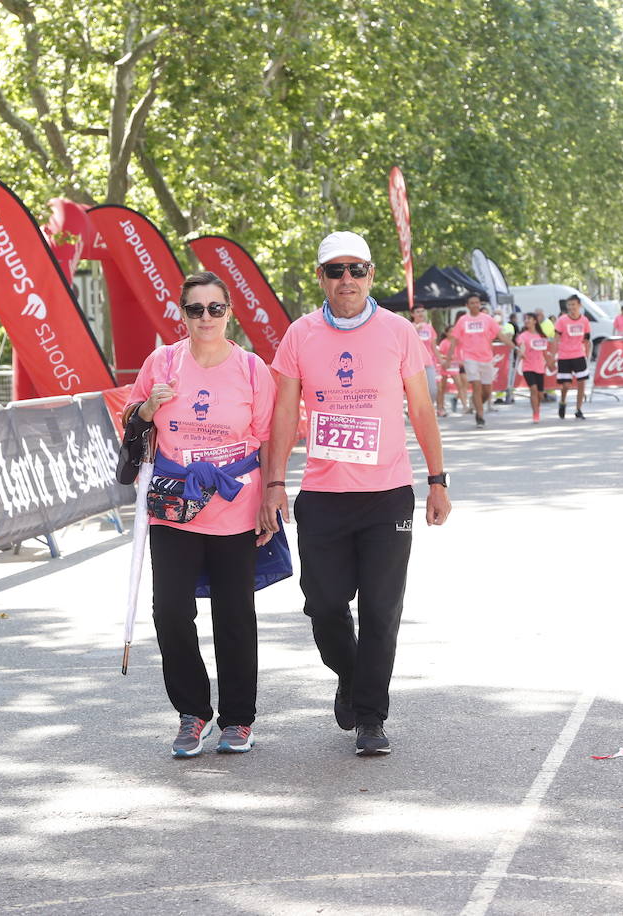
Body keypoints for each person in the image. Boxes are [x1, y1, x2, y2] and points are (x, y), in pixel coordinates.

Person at [261, 231, 450, 757]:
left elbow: (422, 409)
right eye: (336, 271)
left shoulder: (398, 331)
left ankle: (371, 717)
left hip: (388, 493)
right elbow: (283, 414)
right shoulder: (300, 334)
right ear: (320, 277)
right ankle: (351, 675)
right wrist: (274, 483)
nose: (347, 280)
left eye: (357, 270)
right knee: (322, 604)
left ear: (371, 275)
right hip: (322, 494)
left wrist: (437, 480)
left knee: (382, 610)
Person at [126, 270, 275, 757]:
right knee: (170, 611)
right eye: (195, 309)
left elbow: (269, 438)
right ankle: (193, 713)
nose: (205, 317)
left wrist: (274, 494)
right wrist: (148, 407)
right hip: (174, 502)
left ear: (228, 312)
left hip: (235, 502)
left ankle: (238, 719)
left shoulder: (252, 369)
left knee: (235, 614)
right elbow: (131, 424)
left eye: (215, 308)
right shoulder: (162, 362)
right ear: (183, 314)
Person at [451, 292, 516, 428]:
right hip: (470, 358)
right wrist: (451, 359)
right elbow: (454, 340)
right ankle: (480, 416)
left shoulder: (487, 319)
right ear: (467, 305)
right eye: (472, 303)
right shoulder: (463, 320)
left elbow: (500, 335)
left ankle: (476, 402)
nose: (475, 305)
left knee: (487, 391)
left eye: (477, 302)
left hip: (486, 358)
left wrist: (514, 347)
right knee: (476, 385)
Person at [554, 294, 592, 418]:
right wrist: (552, 355)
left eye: (573, 305)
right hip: (564, 355)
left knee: (581, 382)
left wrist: (586, 353)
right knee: (566, 385)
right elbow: (556, 338)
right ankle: (563, 401)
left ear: (579, 305)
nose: (571, 307)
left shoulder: (584, 320)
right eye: (569, 305)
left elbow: (586, 339)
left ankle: (578, 409)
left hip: (579, 355)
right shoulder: (562, 320)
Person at [516, 312, 555, 422]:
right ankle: (535, 414)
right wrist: (521, 353)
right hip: (528, 367)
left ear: (535, 321)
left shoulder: (541, 336)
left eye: (529, 319)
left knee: (540, 394)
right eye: (525, 319)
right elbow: (521, 346)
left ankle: (538, 407)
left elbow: (544, 352)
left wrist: (550, 364)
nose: (527, 321)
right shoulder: (522, 336)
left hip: (540, 368)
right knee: (533, 389)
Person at [408, 303, 444, 418]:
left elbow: (434, 347)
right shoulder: (408, 326)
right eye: (418, 311)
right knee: (415, 391)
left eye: (423, 311)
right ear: (412, 314)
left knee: (433, 390)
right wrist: (415, 330)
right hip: (412, 364)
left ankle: (427, 410)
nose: (421, 314)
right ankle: (415, 412)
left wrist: (441, 361)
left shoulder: (429, 328)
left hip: (428, 363)